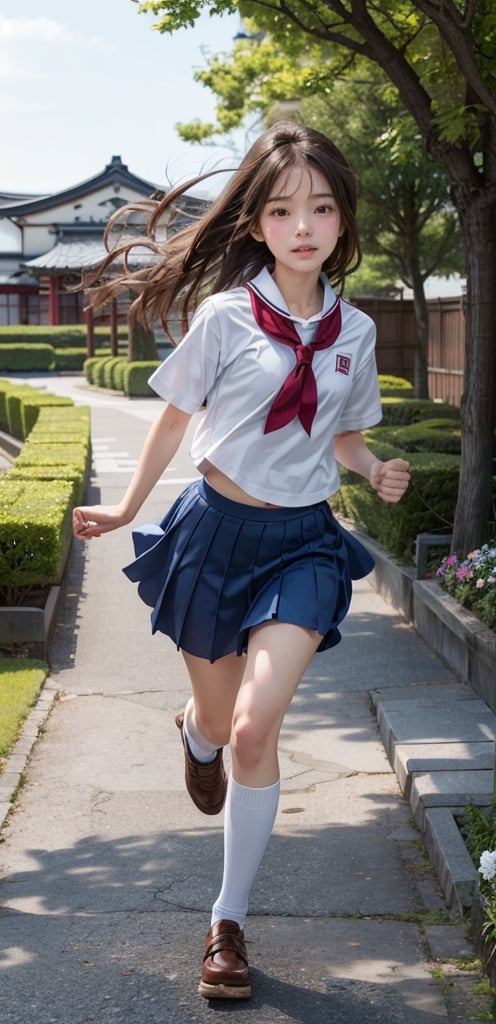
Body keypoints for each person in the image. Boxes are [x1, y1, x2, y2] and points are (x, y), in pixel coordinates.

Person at [73, 122, 410, 1000]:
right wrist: (123, 508)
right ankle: (194, 730)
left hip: (302, 544)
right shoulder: (226, 317)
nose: (305, 225)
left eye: (323, 207)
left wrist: (373, 466)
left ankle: (227, 923)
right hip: (215, 534)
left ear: (343, 222)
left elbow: (343, 434)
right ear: (257, 224)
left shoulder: (356, 331)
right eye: (285, 209)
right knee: (222, 727)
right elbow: (177, 417)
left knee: (258, 730)